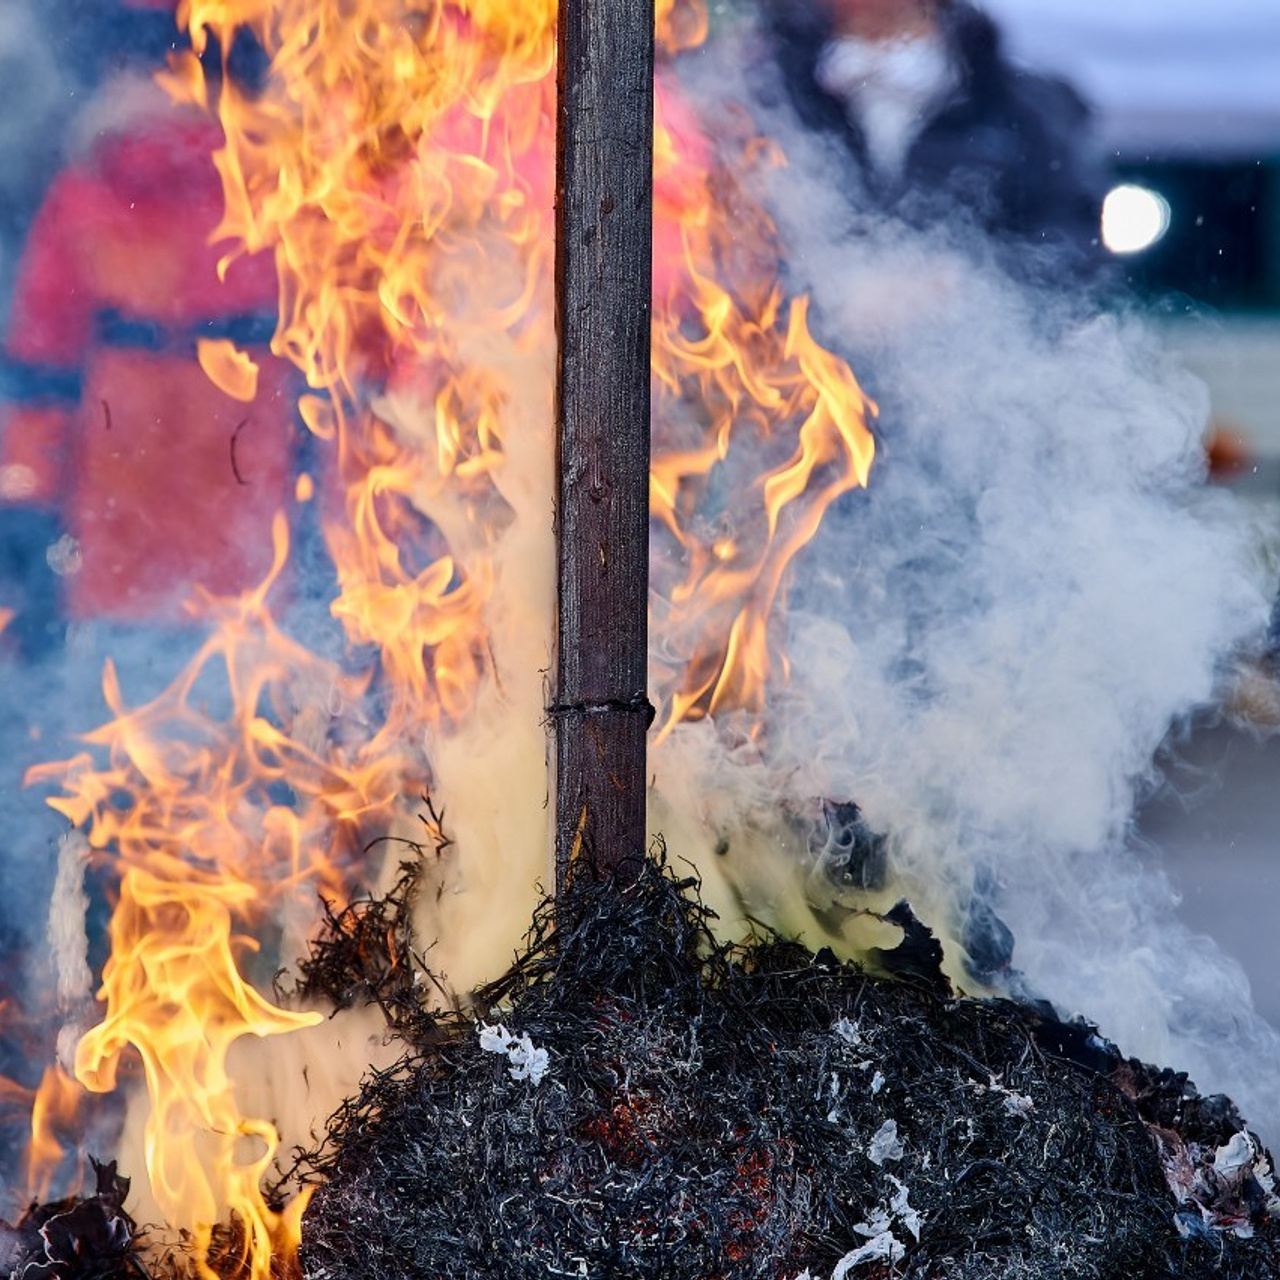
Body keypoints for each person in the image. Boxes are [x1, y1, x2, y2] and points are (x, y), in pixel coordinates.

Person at [0, 1, 298, 653]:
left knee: (114, 728)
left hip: (116, 529)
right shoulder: (290, 188)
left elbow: (40, 374)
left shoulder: (88, 185)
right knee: (251, 729)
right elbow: (346, 374)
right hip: (251, 541)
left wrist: (23, 515)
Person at [761, 0, 1106, 280]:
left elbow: (1076, 243)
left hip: (972, 358)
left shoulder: (1021, 107)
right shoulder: (765, 97)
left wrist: (971, 282)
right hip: (801, 358)